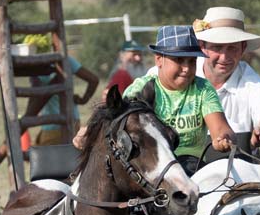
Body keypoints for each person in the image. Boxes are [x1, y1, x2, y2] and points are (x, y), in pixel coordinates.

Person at [75, 25, 236, 176]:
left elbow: (220, 128)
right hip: (149, 164)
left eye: (191, 61)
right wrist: (89, 130)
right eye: (179, 60)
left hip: (191, 166)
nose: (186, 68)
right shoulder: (142, 88)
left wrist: (223, 138)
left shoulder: (203, 89)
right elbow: (114, 116)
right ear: (159, 59)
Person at [192, 6, 260, 150]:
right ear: (202, 46)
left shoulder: (256, 85)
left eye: (232, 48)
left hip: (239, 168)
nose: (224, 57)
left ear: (243, 48)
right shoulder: (181, 74)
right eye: (217, 47)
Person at [23, 34, 99, 146]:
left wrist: (26, 118)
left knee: (45, 160)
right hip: (74, 120)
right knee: (71, 157)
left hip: (53, 125)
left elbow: (35, 96)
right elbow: (93, 79)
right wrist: (84, 99)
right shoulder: (66, 60)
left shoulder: (35, 65)